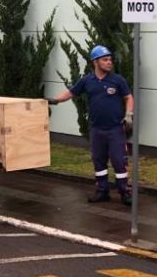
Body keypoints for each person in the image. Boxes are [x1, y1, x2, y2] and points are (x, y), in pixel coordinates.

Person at [48, 45, 134, 205]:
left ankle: (124, 192)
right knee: (99, 161)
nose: (109, 62)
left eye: (110, 59)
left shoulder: (117, 80)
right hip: (96, 129)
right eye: (105, 59)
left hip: (115, 129)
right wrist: (56, 100)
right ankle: (102, 191)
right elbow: (71, 92)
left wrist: (129, 115)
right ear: (95, 62)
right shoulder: (87, 81)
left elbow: (128, 97)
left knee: (119, 161)